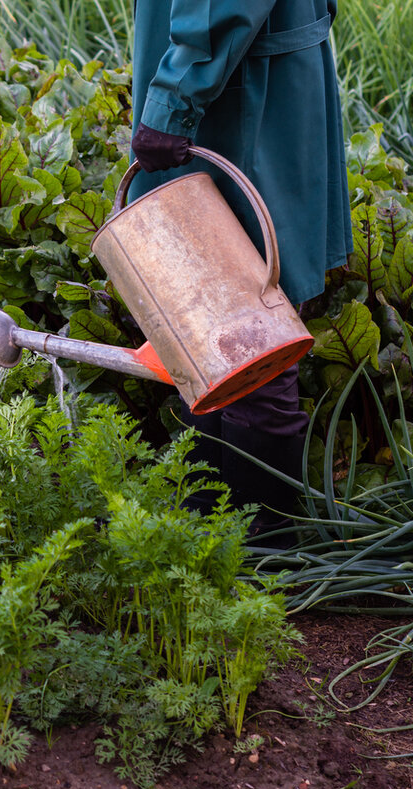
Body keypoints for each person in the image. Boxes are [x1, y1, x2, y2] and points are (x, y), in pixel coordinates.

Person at [127, 0, 352, 538]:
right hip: (235, 73)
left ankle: (264, 569)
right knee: (213, 333)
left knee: (250, 336)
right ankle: (215, 547)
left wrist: (172, 99)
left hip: (239, 87)